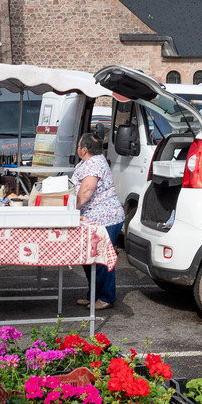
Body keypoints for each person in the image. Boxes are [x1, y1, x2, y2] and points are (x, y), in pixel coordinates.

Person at [71, 132, 123, 310]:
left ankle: (106, 297)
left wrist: (70, 209)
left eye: (79, 145)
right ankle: (93, 295)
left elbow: (86, 192)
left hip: (105, 218)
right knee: (89, 259)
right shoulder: (90, 161)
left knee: (100, 259)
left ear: (84, 149)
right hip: (92, 218)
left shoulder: (94, 164)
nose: (77, 148)